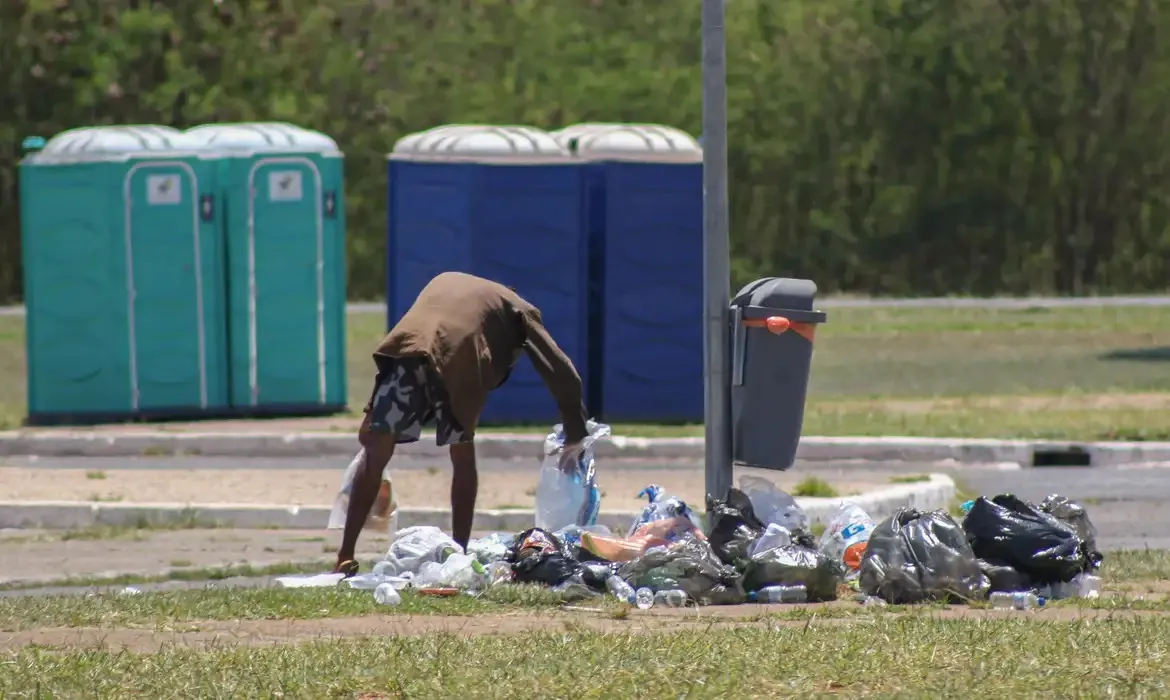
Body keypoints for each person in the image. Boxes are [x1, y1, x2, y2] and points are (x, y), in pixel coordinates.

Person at [333, 271, 588, 575]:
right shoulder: (517, 307)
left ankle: (344, 557)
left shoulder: (448, 279)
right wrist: (576, 430)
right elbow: (559, 368)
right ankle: (459, 553)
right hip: (460, 359)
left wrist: (373, 422)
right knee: (462, 455)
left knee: (377, 451)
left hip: (407, 350)